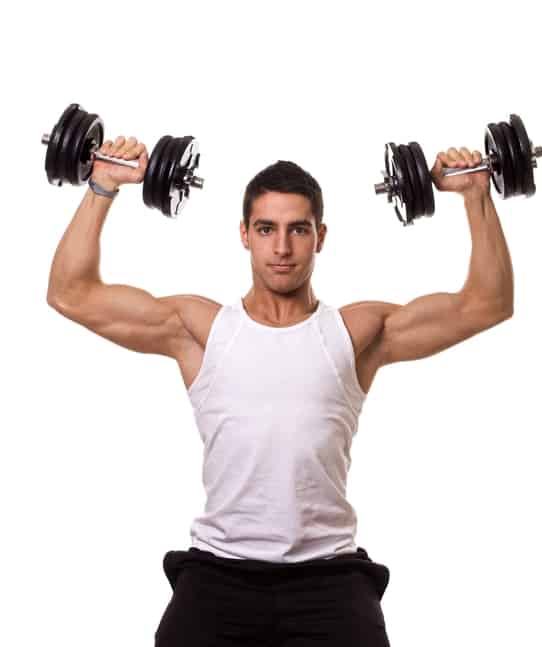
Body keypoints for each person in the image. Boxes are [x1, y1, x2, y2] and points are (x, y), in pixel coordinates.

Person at [46, 138, 514, 646]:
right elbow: (71, 293)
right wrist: (102, 184)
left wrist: (476, 195)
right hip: (219, 572)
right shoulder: (201, 331)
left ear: (320, 236)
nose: (283, 248)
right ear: (244, 235)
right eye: (267, 229)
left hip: (328, 577)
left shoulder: (354, 334)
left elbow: (486, 303)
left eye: (299, 229)